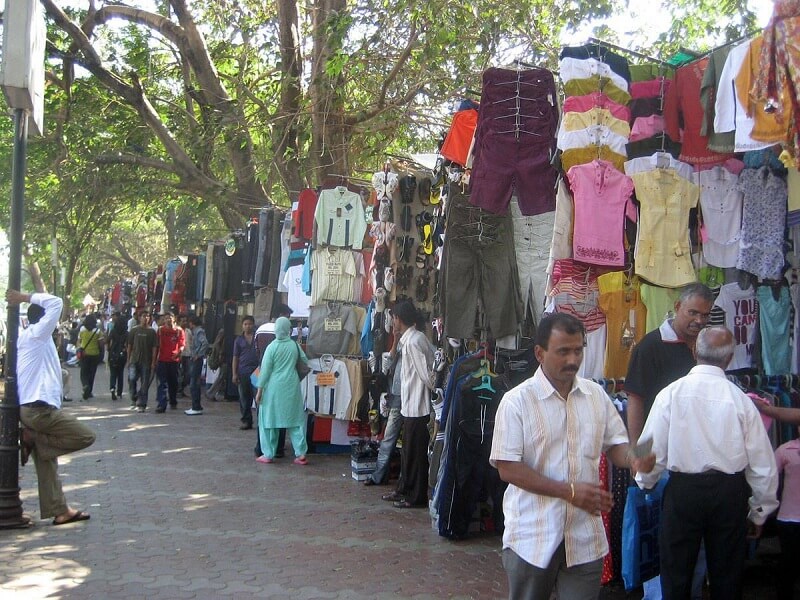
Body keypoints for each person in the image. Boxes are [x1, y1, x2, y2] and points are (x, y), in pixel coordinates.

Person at [490, 313, 654, 600]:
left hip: (584, 537)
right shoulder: (516, 402)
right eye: (563, 351)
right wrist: (569, 492)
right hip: (532, 537)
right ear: (540, 353)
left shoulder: (595, 395)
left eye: (578, 350)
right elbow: (508, 468)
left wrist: (636, 457)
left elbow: (616, 445)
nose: (573, 360)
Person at [635, 326, 778, 600]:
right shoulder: (742, 401)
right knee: (727, 576)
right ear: (729, 359)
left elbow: (648, 447)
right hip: (729, 495)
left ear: (693, 351)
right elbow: (763, 463)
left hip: (683, 493)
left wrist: (645, 482)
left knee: (676, 575)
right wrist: (759, 510)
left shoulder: (670, 394)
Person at [625, 282, 714, 600]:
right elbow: (636, 401)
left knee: (695, 550)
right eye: (693, 312)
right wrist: (638, 454)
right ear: (677, 307)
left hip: (697, 464)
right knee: (659, 546)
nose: (699, 321)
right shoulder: (650, 346)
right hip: (660, 463)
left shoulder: (706, 348)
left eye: (705, 315)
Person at [9, 289, 96, 525]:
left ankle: (59, 510)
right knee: (86, 436)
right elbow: (56, 302)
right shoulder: (37, 334)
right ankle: (34, 438)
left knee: (46, 464)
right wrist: (25, 297)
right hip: (39, 411)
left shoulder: (34, 339)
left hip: (32, 409)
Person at [380, 302, 434, 509]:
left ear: (400, 319)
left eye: (394, 317)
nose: (392, 321)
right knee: (408, 451)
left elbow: (426, 374)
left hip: (417, 406)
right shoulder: (410, 339)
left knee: (415, 453)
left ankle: (415, 495)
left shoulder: (413, 341)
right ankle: (404, 488)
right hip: (410, 404)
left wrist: (434, 388)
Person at [254, 317, 309, 464]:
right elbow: (305, 361)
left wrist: (259, 390)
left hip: (274, 387)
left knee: (268, 420)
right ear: (288, 329)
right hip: (292, 385)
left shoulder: (272, 347)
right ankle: (301, 453)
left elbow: (265, 371)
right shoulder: (294, 345)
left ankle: (268, 454)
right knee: (295, 420)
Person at [253, 304, 293, 457]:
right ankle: (278, 448)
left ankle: (260, 447)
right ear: (282, 316)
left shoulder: (260, 329)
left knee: (262, 415)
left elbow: (256, 352)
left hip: (259, 373)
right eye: (288, 318)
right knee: (280, 413)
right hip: (279, 378)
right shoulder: (284, 333)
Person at [364, 335, 401, 487]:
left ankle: (382, 475)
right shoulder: (403, 343)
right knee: (388, 437)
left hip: (403, 397)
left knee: (391, 438)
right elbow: (389, 363)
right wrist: (396, 338)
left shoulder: (413, 342)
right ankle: (380, 475)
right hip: (396, 396)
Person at [774, 428, 800, 600]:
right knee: (788, 563)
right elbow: (770, 477)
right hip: (789, 517)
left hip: (789, 516)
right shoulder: (785, 449)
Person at [127, 310, 159, 412]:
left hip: (146, 361)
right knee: (132, 379)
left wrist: (153, 361)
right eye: (144, 316)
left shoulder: (152, 332)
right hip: (134, 360)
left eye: (148, 316)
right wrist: (128, 359)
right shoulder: (134, 330)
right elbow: (129, 346)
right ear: (139, 317)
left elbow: (154, 347)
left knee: (145, 383)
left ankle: (142, 404)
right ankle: (134, 396)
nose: (146, 318)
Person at [232, 316, 259, 430]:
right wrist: (234, 373)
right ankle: (246, 421)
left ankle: (261, 421)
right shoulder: (238, 340)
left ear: (253, 325)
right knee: (244, 398)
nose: (248, 326)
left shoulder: (258, 338)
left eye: (250, 324)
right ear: (242, 326)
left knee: (258, 397)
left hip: (257, 371)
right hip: (243, 371)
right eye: (245, 324)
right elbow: (235, 357)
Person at [155, 313, 185, 413]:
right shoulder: (160, 330)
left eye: (170, 318)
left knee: (173, 382)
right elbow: (156, 345)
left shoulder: (179, 330)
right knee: (162, 383)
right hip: (162, 360)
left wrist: (179, 352)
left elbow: (182, 344)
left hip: (173, 360)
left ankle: (173, 400)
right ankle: (161, 404)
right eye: (166, 318)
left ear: (174, 319)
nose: (168, 320)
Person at [184, 315, 209, 416]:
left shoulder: (199, 331)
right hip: (195, 358)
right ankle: (196, 405)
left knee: (194, 383)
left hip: (196, 359)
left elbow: (205, 343)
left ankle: (196, 406)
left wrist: (198, 355)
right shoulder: (197, 331)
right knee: (194, 382)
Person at [77, 314, 105, 400]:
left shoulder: (82, 329)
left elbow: (79, 341)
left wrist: (79, 349)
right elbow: (101, 344)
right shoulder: (97, 331)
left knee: (83, 372)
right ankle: (89, 391)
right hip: (95, 354)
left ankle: (85, 385)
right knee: (92, 373)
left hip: (84, 354)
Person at [107, 314, 128, 401]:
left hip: (113, 354)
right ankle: (119, 392)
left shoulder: (113, 331)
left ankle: (112, 389)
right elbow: (128, 345)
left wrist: (109, 349)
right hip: (122, 355)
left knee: (113, 373)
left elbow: (108, 341)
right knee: (120, 373)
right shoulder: (127, 333)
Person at [205, 329, 228, 402]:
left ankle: (212, 392)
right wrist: (220, 355)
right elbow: (218, 344)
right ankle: (210, 392)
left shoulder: (223, 331)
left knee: (222, 376)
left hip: (223, 357)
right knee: (222, 376)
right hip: (224, 358)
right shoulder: (224, 331)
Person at [178, 313, 193, 397]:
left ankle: (182, 388)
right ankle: (178, 390)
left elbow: (191, 342)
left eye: (185, 321)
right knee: (179, 373)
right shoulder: (177, 330)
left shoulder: (188, 331)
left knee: (188, 374)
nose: (185, 322)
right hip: (178, 355)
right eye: (183, 321)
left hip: (187, 355)